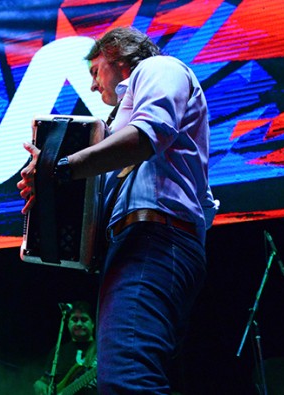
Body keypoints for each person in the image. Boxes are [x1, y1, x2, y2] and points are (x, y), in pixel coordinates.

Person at [17, 27, 218, 394]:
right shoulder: (111, 128)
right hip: (139, 243)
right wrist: (46, 189)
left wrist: (59, 169)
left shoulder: (160, 68)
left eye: (95, 71)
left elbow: (148, 134)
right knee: (130, 377)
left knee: (126, 381)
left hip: (155, 239)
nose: (93, 87)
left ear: (119, 55)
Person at [33, 301, 97, 395]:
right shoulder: (58, 351)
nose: (79, 324)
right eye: (74, 319)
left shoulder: (102, 350)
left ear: (93, 324)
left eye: (84, 319)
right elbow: (45, 380)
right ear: (67, 323)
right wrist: (39, 384)